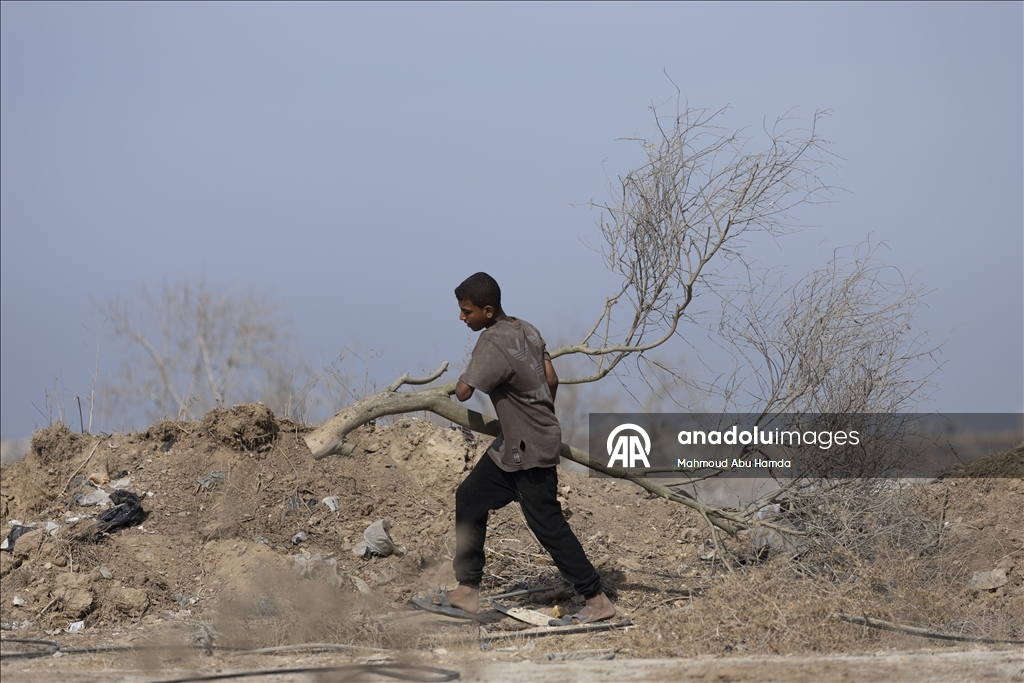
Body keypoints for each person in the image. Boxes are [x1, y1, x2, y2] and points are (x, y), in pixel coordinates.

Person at [416, 272, 614, 625]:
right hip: (515, 445)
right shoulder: (528, 329)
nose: (462, 318)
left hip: (528, 449)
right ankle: (467, 591)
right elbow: (551, 379)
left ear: (488, 311)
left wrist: (466, 380)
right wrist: (538, 412)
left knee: (547, 523)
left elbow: (463, 392)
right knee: (470, 497)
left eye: (467, 311)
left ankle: (597, 599)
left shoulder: (492, 342)